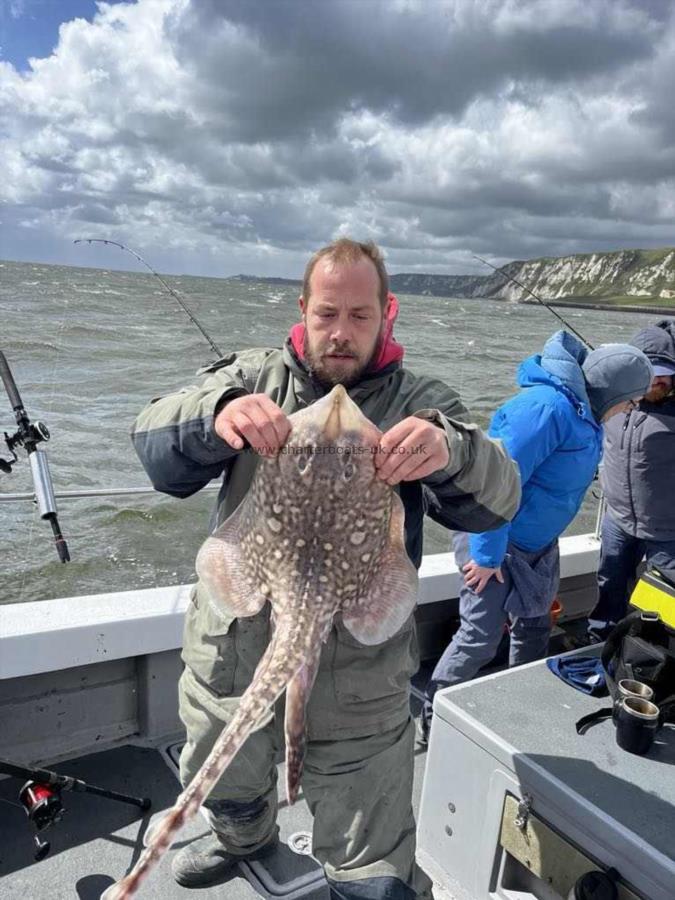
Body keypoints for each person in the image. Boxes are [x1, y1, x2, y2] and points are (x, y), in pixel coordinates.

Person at [131, 238, 521, 900]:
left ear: (387, 312)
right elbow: (153, 442)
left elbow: (497, 501)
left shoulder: (421, 400)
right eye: (326, 314)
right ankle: (240, 837)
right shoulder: (250, 376)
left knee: (371, 860)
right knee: (223, 766)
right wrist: (215, 415)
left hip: (360, 681)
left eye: (360, 316)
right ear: (303, 308)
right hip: (236, 648)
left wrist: (450, 451)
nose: (340, 333)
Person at [420, 332, 653, 742]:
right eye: (631, 401)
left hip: (537, 546)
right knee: (480, 635)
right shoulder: (546, 409)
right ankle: (432, 713)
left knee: (534, 625)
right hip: (492, 540)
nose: (629, 410)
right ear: (613, 392)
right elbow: (494, 483)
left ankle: (515, 702)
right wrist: (487, 557)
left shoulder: (587, 414)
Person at [588, 319, 675, 641]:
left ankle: (657, 659)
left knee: (667, 599)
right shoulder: (613, 398)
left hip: (667, 529)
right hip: (618, 518)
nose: (659, 380)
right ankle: (601, 644)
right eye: (651, 372)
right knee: (609, 583)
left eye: (666, 371)